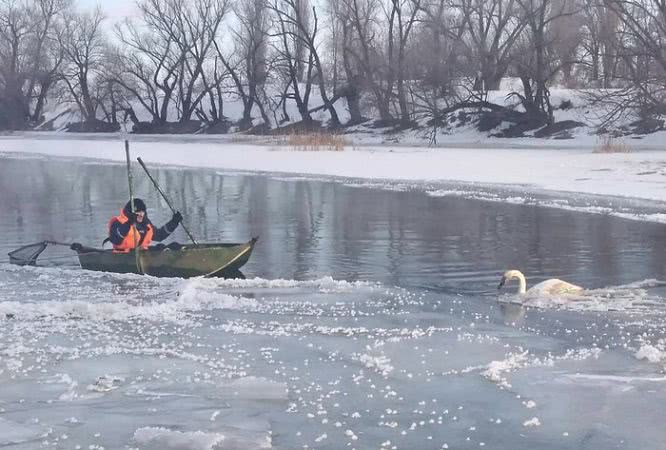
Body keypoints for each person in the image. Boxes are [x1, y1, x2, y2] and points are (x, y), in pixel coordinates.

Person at [106, 198, 182, 252]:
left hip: (143, 254)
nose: (141, 214)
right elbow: (116, 239)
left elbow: (159, 235)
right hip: (124, 256)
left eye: (142, 211)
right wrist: (129, 223)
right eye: (137, 212)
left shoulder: (145, 223)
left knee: (172, 246)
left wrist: (174, 222)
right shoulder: (118, 222)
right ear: (130, 213)